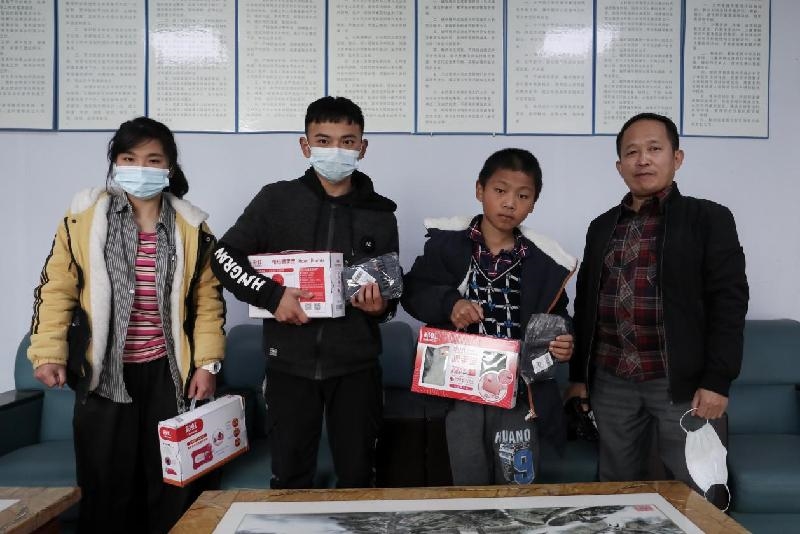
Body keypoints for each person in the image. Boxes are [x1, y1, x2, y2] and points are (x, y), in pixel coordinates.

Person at [28, 117, 226, 533]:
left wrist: (207, 364)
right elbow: (57, 287)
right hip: (104, 373)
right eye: (129, 158)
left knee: (173, 484)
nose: (140, 168)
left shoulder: (191, 226)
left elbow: (208, 301)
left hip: (169, 374)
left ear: (169, 167)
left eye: (153, 159)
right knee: (105, 486)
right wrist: (48, 353)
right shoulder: (84, 218)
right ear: (115, 163)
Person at [210, 96, 399, 488]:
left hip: (357, 368)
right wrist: (271, 297)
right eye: (324, 140)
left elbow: (391, 295)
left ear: (363, 147)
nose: (336, 150)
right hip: (288, 366)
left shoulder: (381, 214)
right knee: (290, 479)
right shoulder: (275, 200)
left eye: (348, 141)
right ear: (305, 145)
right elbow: (223, 257)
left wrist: (379, 308)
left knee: (358, 477)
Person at [569, 112, 749, 490]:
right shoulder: (602, 226)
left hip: (680, 382)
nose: (643, 160)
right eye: (632, 152)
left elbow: (729, 303)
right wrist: (578, 379)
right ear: (619, 166)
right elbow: (586, 304)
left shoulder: (708, 219)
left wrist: (717, 380)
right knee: (615, 487)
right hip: (611, 379)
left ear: (676, 158)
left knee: (698, 486)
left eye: (654, 149)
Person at [402, 148, 576, 485]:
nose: (510, 203)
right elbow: (413, 291)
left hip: (518, 394)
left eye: (523, 196)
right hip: (459, 389)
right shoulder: (447, 246)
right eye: (500, 190)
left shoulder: (544, 262)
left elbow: (558, 316)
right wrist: (449, 303)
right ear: (479, 190)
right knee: (467, 479)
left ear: (533, 203)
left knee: (517, 481)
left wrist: (563, 339)